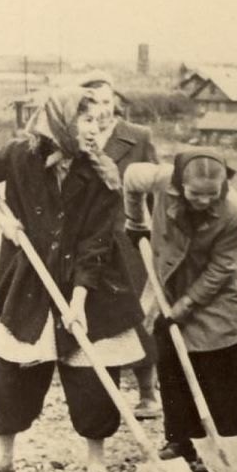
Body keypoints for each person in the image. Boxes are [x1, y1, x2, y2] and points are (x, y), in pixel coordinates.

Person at [0, 86, 145, 472]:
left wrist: (79, 302)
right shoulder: (19, 157)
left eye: (98, 121)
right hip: (30, 278)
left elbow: (96, 244)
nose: (94, 129)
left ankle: (96, 462)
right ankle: (3, 457)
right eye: (84, 120)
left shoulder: (102, 175)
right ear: (60, 123)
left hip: (91, 283)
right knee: (15, 367)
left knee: (93, 370)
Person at [121, 149, 237, 467]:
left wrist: (186, 305)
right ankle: (179, 440)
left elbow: (222, 267)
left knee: (220, 356)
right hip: (172, 277)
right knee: (172, 360)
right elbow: (129, 179)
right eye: (195, 194)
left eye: (212, 195)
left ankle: (220, 441)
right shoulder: (159, 177)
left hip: (218, 289)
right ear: (181, 184)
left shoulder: (233, 210)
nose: (204, 201)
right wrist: (135, 219)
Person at [80, 71, 162, 420]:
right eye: (93, 101)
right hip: (89, 239)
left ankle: (148, 391)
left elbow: (156, 188)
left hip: (129, 238)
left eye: (106, 100)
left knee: (137, 313)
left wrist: (158, 238)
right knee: (96, 312)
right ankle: (100, 395)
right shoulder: (77, 136)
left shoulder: (137, 137)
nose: (101, 109)